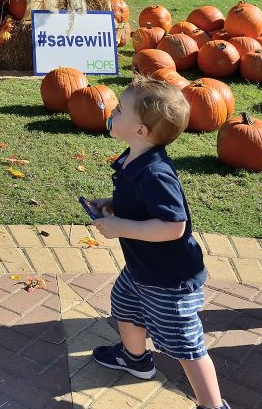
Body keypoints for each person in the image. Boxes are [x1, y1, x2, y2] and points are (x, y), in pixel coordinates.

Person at [90, 78, 229, 409]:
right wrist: (113, 205)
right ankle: (135, 358)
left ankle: (212, 405)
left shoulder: (156, 173)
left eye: (121, 109)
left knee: (185, 345)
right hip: (142, 268)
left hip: (169, 280)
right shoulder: (133, 159)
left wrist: (120, 225)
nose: (113, 111)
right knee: (124, 304)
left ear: (140, 131)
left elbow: (173, 226)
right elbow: (141, 205)